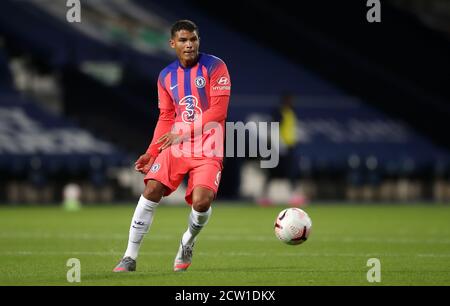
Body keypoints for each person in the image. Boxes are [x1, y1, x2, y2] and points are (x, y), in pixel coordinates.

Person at [113, 20, 231, 272]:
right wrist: (151, 151)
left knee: (201, 203)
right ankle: (129, 256)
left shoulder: (215, 66)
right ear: (172, 43)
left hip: (208, 147)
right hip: (176, 147)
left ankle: (188, 240)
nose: (189, 45)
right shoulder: (166, 76)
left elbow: (218, 111)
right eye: (183, 40)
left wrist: (183, 132)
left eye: (193, 39)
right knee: (152, 188)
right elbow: (166, 118)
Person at [257, 93, 306, 206]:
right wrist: (279, 145)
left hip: (289, 147)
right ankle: (265, 196)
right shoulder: (279, 112)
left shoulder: (290, 112)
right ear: (284, 100)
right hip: (279, 148)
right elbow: (274, 128)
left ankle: (292, 195)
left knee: (290, 172)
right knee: (273, 172)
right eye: (289, 100)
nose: (291, 102)